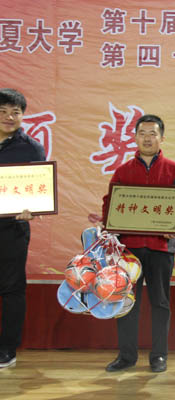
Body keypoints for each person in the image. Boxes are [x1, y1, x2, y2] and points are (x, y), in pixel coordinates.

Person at [101, 114, 175, 373]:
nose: (147, 138)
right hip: (129, 250)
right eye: (142, 133)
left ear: (162, 138)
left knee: (160, 303)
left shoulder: (174, 170)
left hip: (161, 247)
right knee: (126, 301)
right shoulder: (123, 171)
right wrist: (111, 225)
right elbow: (109, 204)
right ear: (135, 137)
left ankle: (159, 355)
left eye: (153, 133)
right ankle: (126, 356)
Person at [0, 88, 46, 368]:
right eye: (2, 111)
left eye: (15, 112)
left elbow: (40, 190)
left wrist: (33, 209)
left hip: (13, 228)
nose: (9, 117)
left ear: (22, 116)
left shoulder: (31, 148)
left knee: (12, 288)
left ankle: (7, 348)